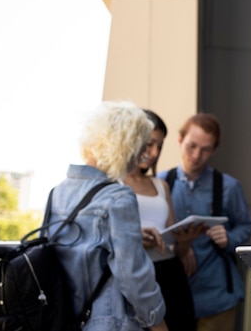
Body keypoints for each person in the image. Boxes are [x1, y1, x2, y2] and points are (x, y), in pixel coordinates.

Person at [47, 101, 168, 331]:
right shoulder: (118, 196)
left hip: (62, 316)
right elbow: (133, 275)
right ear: (126, 146)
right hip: (109, 321)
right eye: (141, 147)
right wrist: (157, 320)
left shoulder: (58, 191)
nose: (142, 156)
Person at [158, 113, 251, 331]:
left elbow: (247, 226)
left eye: (205, 149)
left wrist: (229, 238)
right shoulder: (160, 182)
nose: (196, 155)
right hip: (171, 294)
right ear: (180, 140)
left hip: (216, 295)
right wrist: (179, 246)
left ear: (214, 150)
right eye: (192, 146)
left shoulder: (229, 187)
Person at [125, 109, 203, 331]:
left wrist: (186, 242)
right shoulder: (113, 185)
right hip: (139, 275)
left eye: (159, 146)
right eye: (149, 144)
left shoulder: (161, 185)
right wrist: (135, 238)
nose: (153, 152)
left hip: (171, 273)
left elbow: (175, 245)